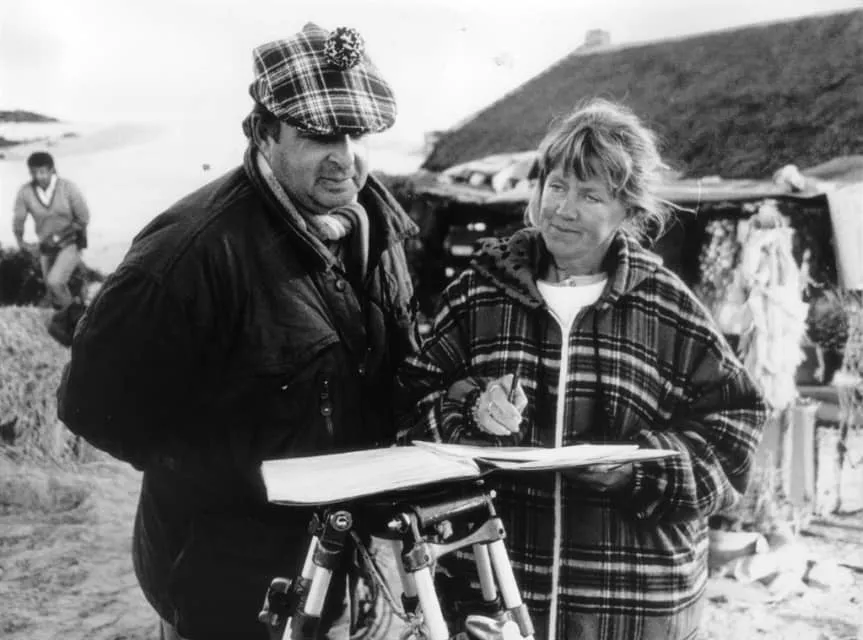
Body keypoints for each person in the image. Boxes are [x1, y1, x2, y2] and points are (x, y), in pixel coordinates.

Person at [58, 23, 419, 640]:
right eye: (319, 135)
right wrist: (229, 482)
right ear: (262, 132)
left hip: (342, 567)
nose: (345, 156)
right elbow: (94, 406)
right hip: (226, 581)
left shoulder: (376, 226)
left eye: (357, 133)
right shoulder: (188, 256)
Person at [396, 99, 767, 640]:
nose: (563, 209)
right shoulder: (481, 291)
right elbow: (408, 402)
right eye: (557, 186)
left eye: (591, 196)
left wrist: (639, 470)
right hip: (495, 588)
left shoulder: (666, 306)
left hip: (630, 601)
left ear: (628, 211)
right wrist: (470, 409)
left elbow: (734, 431)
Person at [12, 151, 90, 310]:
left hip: (71, 243)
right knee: (51, 291)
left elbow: (83, 218)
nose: (38, 176)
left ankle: (75, 317)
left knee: (55, 282)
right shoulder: (25, 192)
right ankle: (66, 314)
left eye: (42, 172)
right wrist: (21, 241)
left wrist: (59, 236)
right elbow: (19, 219)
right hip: (46, 247)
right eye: (33, 172)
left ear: (52, 169)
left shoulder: (67, 188)